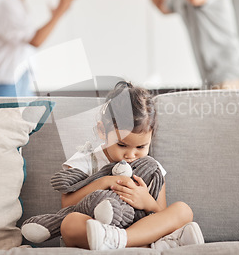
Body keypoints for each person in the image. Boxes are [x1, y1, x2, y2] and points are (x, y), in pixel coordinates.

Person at [57, 81, 204, 250]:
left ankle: (120, 240)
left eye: (141, 147)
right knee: (69, 223)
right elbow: (66, 205)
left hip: (137, 231)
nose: (131, 155)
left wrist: (147, 201)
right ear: (102, 131)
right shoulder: (85, 160)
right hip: (97, 230)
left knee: (183, 210)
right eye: (122, 145)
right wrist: (106, 181)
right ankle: (151, 243)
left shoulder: (152, 169)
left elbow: (159, 213)